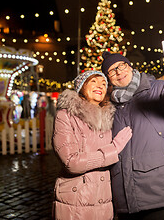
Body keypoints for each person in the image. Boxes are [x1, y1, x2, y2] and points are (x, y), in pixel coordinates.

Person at [101, 51, 164, 219]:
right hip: (123, 197)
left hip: (155, 191)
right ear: (108, 78)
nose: (118, 72)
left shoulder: (158, 89)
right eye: (111, 71)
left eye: (121, 66)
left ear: (130, 66)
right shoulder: (109, 106)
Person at [52, 70, 132, 219]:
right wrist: (113, 149)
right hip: (76, 199)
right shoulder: (66, 115)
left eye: (103, 84)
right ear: (81, 86)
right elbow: (71, 162)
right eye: (93, 81)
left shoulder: (110, 117)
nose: (99, 86)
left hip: (105, 199)